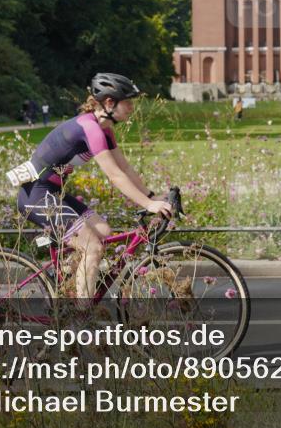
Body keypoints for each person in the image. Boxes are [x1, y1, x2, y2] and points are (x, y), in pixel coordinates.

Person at [9, 73, 173, 300]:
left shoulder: (104, 129)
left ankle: (70, 292)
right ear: (109, 103)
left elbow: (124, 167)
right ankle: (81, 319)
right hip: (36, 196)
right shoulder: (90, 128)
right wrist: (148, 204)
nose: (132, 107)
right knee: (92, 247)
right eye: (127, 102)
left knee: (104, 232)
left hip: (53, 193)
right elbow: (115, 175)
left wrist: (152, 197)